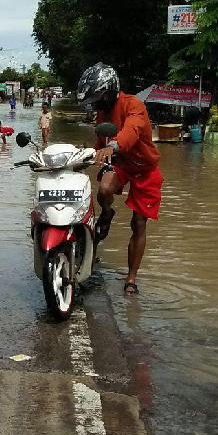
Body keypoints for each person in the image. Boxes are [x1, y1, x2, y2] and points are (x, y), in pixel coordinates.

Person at [80, 63, 163, 296]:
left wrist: (114, 146)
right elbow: (100, 143)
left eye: (98, 97)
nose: (96, 104)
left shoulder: (133, 105)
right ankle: (107, 213)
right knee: (104, 189)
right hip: (121, 164)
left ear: (109, 90)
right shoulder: (102, 114)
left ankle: (131, 278)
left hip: (145, 169)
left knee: (138, 223)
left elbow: (132, 130)